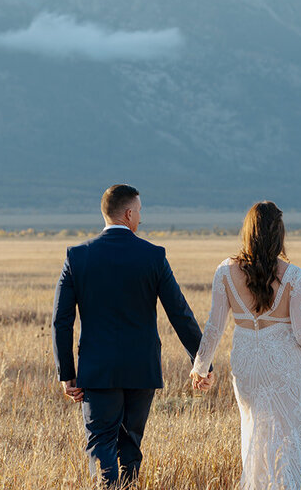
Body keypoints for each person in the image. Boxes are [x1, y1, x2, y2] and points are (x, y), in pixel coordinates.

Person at [52, 184, 209, 487]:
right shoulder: (153, 256)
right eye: (139, 211)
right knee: (130, 446)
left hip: (97, 369)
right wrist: (202, 362)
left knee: (101, 444)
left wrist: (66, 373)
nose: (141, 217)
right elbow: (180, 313)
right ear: (128, 213)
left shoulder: (77, 256)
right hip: (141, 367)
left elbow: (61, 321)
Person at [190, 201, 301, 490]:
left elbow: (214, 326)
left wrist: (200, 367)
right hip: (285, 365)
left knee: (255, 436)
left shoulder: (225, 272)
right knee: (290, 440)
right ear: (278, 234)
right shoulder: (294, 276)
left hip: (247, 367)